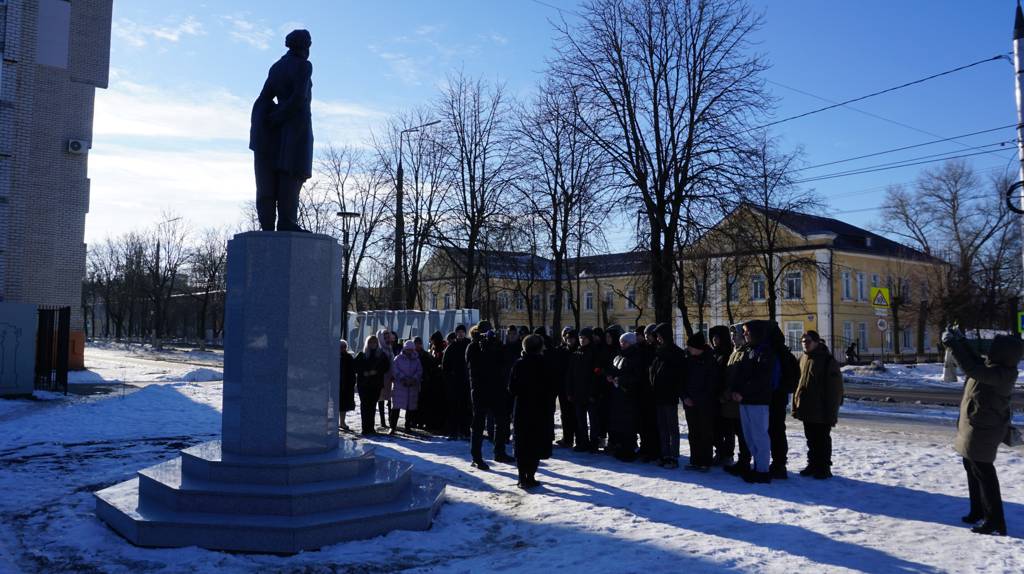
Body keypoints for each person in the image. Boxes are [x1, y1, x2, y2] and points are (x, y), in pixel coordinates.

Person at [944, 327, 1021, 536]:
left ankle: (995, 521)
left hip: (984, 430)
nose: (990, 352)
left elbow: (972, 368)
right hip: (976, 426)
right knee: (971, 466)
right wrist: (961, 341)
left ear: (1003, 353)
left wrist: (953, 345)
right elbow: (975, 361)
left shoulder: (1001, 374)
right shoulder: (994, 367)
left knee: (984, 473)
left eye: (994, 349)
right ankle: (978, 510)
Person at [249, 30, 314, 232]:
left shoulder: (276, 67)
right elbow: (299, 98)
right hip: (296, 126)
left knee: (275, 176)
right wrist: (278, 117)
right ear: (305, 46)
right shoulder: (303, 65)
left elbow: (264, 97)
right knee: (291, 173)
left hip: (275, 130)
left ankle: (267, 224)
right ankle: (287, 221)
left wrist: (268, 120)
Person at [792, 331, 844, 479]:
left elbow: (835, 389)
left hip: (822, 409)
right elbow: (799, 383)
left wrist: (832, 413)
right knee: (811, 439)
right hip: (807, 408)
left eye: (808, 341)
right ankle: (813, 464)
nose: (805, 344)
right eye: (803, 341)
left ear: (816, 342)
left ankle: (824, 467)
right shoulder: (803, 358)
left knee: (822, 440)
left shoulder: (827, 360)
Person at [730, 321, 776, 483]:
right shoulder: (750, 350)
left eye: (747, 332)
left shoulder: (765, 352)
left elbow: (760, 379)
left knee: (759, 436)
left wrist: (742, 392)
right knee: (750, 436)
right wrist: (735, 390)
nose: (744, 335)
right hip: (745, 400)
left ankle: (762, 470)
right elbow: (741, 374)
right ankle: (756, 467)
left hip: (758, 401)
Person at [508, 334, 555, 489]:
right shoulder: (545, 364)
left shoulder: (519, 364)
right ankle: (531, 476)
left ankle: (522, 477)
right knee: (535, 442)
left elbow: (512, 388)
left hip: (522, 408)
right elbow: (551, 388)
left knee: (522, 442)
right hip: (539, 409)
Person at [466, 321, 514, 469]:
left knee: (501, 421)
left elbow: (504, 362)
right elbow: (473, 367)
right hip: (480, 390)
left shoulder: (495, 344)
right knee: (479, 423)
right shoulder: (473, 346)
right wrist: (484, 347)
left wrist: (496, 344)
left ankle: (499, 452)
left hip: (496, 388)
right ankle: (476, 457)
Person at [650, 323, 686, 469]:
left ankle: (673, 456)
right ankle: (665, 454)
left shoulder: (675, 352)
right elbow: (653, 371)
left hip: (669, 395)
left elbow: (679, 375)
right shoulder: (658, 352)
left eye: (659, 336)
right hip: (658, 394)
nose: (657, 339)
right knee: (662, 426)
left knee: (671, 427)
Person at [768, 322, 799, 479]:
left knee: (775, 431)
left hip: (774, 397)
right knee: (777, 430)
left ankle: (778, 464)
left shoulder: (775, 354)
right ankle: (779, 463)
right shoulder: (785, 353)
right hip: (779, 398)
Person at [682, 332, 716, 471]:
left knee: (705, 433)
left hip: (705, 404)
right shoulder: (688, 359)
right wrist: (685, 397)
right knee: (693, 433)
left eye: (690, 346)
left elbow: (712, 384)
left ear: (697, 347)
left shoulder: (710, 360)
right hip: (689, 403)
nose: (688, 349)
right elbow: (682, 381)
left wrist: (698, 399)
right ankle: (695, 460)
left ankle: (705, 461)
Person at [607, 332, 642, 461]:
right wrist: (610, 376)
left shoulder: (635, 356)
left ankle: (629, 450)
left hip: (629, 394)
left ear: (631, 342)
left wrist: (620, 380)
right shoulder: (618, 355)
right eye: (621, 341)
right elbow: (612, 369)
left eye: (625, 342)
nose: (622, 344)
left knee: (628, 425)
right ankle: (620, 447)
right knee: (619, 423)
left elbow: (637, 376)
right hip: (617, 395)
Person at [722, 326, 752, 476]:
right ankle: (739, 460)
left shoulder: (745, 353)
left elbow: (742, 377)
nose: (733, 337)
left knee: (742, 433)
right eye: (732, 334)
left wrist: (734, 391)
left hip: (738, 400)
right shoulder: (734, 352)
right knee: (733, 431)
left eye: (736, 334)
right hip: (730, 400)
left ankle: (744, 461)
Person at [567, 327, 602, 453]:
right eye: (580, 338)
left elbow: (597, 374)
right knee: (580, 420)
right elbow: (570, 374)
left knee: (593, 420)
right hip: (577, 393)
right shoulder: (576, 353)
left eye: (584, 338)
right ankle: (583, 442)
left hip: (590, 393)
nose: (582, 340)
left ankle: (593, 443)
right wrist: (570, 391)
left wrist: (593, 393)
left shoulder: (595, 352)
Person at [353, 336, 390, 436]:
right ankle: (365, 428)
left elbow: (386, 367)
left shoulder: (381, 355)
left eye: (374, 342)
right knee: (364, 405)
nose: (373, 344)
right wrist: (364, 372)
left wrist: (376, 372)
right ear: (367, 343)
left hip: (376, 384)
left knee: (372, 406)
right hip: (364, 384)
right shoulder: (362, 354)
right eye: (371, 342)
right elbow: (355, 367)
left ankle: (371, 427)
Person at [708, 325, 734, 465]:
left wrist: (725, 392)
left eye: (717, 337)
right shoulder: (713, 353)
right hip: (713, 396)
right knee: (716, 427)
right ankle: (719, 451)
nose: (714, 340)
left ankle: (728, 454)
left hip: (725, 397)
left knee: (727, 428)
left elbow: (728, 376)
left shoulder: (729, 353)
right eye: (712, 337)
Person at [635, 324, 660, 462]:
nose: (646, 338)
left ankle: (653, 450)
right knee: (643, 424)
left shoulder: (656, 350)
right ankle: (645, 447)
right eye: (645, 335)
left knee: (652, 424)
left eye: (648, 335)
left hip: (652, 392)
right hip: (643, 391)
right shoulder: (644, 349)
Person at [442, 324, 471, 441]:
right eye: (458, 332)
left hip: (467, 381)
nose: (460, 334)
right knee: (454, 407)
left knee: (466, 407)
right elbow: (445, 365)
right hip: (454, 383)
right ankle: (453, 431)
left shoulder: (469, 345)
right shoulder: (452, 347)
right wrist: (449, 378)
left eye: (462, 332)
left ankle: (465, 431)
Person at [390, 340, 423, 434]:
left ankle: (407, 426)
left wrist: (414, 379)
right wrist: (403, 378)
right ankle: (393, 427)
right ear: (404, 349)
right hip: (400, 386)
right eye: (408, 349)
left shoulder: (416, 360)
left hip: (412, 387)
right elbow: (394, 370)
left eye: (411, 349)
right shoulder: (398, 359)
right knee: (396, 407)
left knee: (410, 408)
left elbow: (419, 371)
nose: (410, 351)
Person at [554, 328, 578, 448]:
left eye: (570, 338)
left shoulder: (578, 351)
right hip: (563, 387)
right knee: (565, 414)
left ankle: (576, 438)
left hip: (575, 387)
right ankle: (567, 438)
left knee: (575, 414)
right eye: (566, 337)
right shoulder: (561, 350)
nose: (568, 340)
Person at [376, 329, 396, 429]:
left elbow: (392, 363)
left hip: (389, 377)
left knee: (388, 398)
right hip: (381, 377)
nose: (387, 339)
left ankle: (390, 419)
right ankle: (383, 421)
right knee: (381, 399)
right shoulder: (379, 349)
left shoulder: (389, 348)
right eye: (385, 337)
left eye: (388, 336)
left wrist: (393, 374)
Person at [339, 339, 356, 431]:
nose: (343, 349)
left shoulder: (349, 357)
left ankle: (342, 422)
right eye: (341, 347)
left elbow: (352, 372)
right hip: (336, 384)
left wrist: (352, 382)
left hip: (346, 385)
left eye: (344, 347)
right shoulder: (334, 357)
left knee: (343, 405)